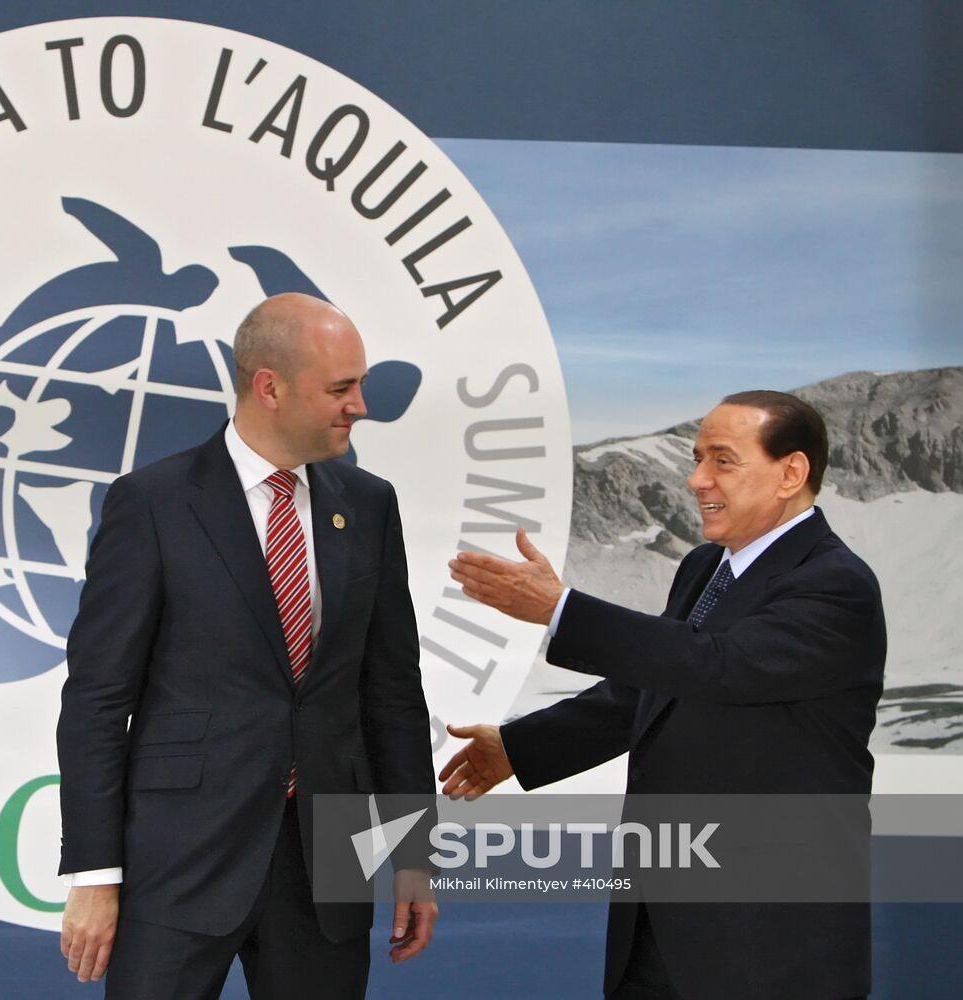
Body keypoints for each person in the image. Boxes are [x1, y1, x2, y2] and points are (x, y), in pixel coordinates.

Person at [441, 390, 886, 1000]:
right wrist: (520, 748)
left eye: (722, 461)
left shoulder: (835, 585)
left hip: (772, 938)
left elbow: (717, 667)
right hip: (662, 920)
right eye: (697, 457)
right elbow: (651, 690)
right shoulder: (706, 567)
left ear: (792, 472)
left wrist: (560, 609)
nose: (696, 478)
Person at [56, 293, 438, 998]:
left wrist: (413, 855)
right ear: (268, 386)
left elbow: (391, 693)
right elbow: (97, 701)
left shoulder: (370, 503)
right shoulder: (153, 502)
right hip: (177, 865)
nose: (359, 405)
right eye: (339, 388)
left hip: (328, 865)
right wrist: (94, 875)